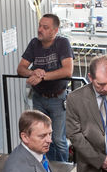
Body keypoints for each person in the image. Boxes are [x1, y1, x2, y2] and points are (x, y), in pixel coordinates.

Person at [18, 13, 74, 162]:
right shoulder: (34, 43)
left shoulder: (62, 43)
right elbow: (21, 69)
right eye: (40, 26)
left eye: (45, 27)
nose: (40, 29)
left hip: (58, 99)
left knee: (58, 139)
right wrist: (33, 72)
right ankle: (46, 167)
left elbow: (67, 71)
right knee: (41, 138)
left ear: (55, 31)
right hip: (39, 98)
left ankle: (63, 170)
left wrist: (42, 76)